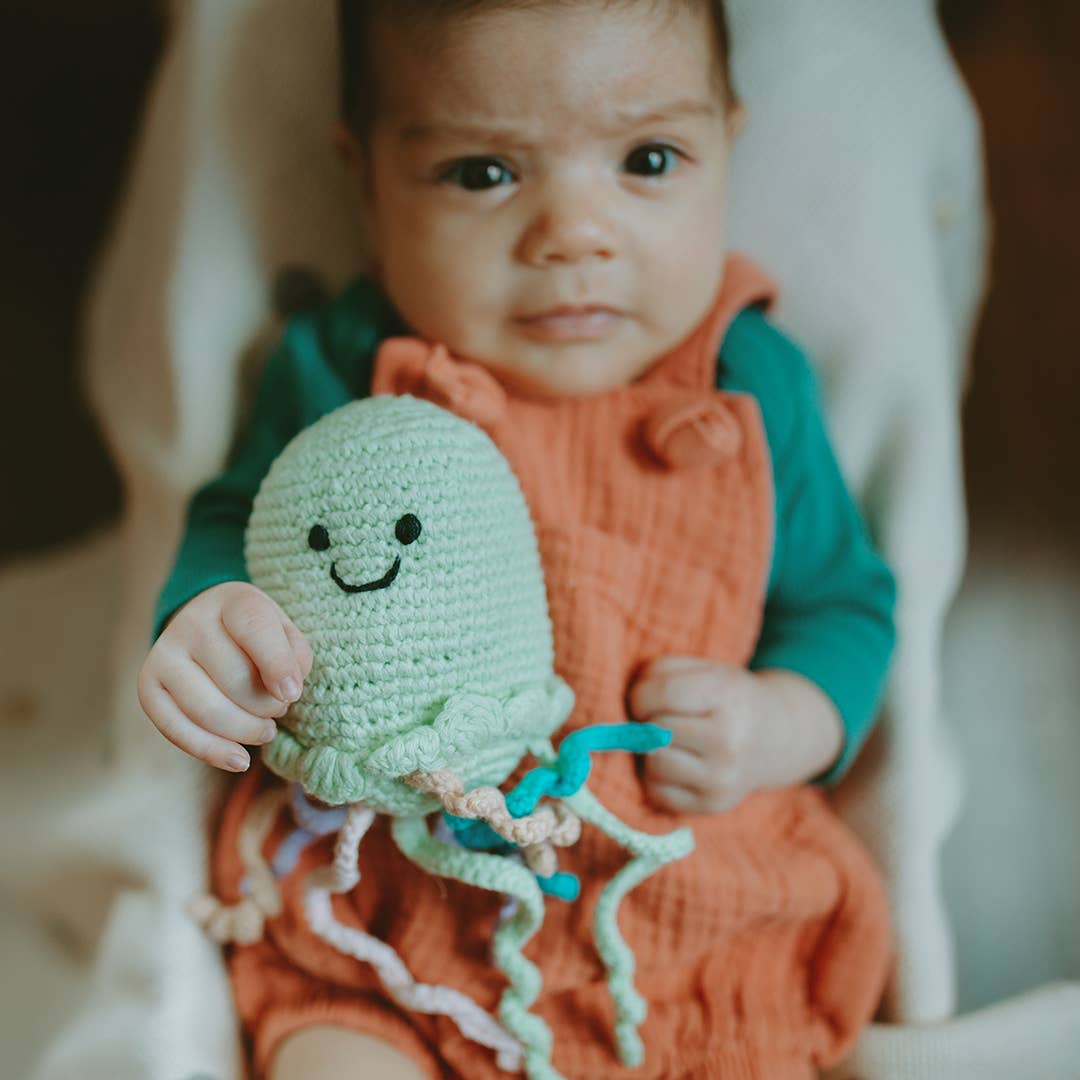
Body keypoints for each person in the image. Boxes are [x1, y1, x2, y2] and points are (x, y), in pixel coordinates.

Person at [138, 1, 897, 1076]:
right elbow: (239, 522)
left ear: (729, 141)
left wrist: (781, 722)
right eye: (484, 173)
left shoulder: (750, 389)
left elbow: (844, 606)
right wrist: (211, 618)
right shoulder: (347, 365)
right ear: (366, 181)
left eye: (648, 158)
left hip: (672, 896)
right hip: (389, 901)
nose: (571, 235)